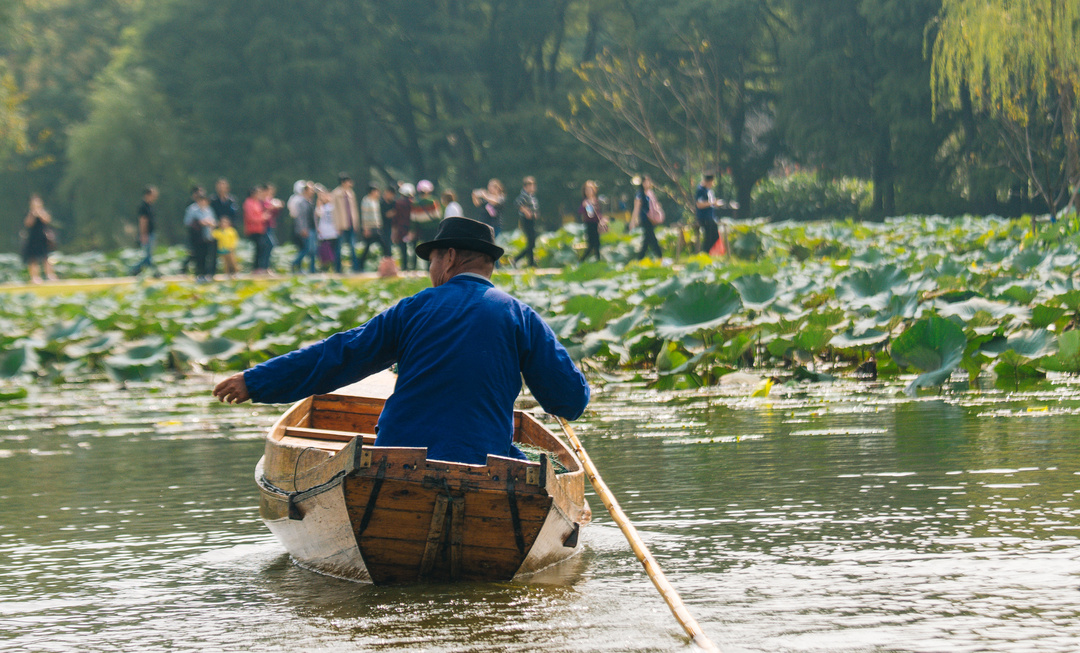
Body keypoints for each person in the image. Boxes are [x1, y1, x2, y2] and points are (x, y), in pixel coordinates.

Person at [212, 217, 590, 465]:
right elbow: (569, 401)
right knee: (518, 462)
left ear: (450, 257)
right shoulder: (521, 318)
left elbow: (340, 355)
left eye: (431, 262)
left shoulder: (412, 310)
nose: (430, 272)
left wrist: (255, 380)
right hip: (483, 460)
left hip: (398, 460)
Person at [184, 188, 217, 282]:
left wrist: (210, 223)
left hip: (207, 236)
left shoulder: (209, 210)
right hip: (197, 237)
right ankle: (199, 274)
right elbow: (187, 222)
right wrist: (200, 222)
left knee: (207, 255)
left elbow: (214, 221)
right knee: (199, 256)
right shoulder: (192, 209)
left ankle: (207, 274)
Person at [22, 193, 57, 283]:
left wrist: (39, 212)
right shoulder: (28, 213)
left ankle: (50, 275)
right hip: (33, 238)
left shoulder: (44, 211)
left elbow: (47, 220)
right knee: (33, 259)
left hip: (43, 237)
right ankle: (35, 277)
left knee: (46, 258)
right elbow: (28, 224)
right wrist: (33, 214)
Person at [128, 186, 160, 278]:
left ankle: (137, 270)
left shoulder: (150, 206)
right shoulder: (143, 207)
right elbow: (143, 221)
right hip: (147, 234)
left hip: (151, 233)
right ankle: (136, 269)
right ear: (147, 195)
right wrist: (143, 235)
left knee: (148, 255)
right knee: (148, 256)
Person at [210, 178, 239, 277]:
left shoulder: (231, 200)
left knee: (231, 256)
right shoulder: (213, 200)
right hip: (218, 228)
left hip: (229, 228)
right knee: (217, 255)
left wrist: (229, 223)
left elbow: (235, 214)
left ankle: (233, 272)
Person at [332, 173, 360, 273]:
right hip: (342, 225)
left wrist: (356, 223)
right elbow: (335, 212)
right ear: (343, 182)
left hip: (351, 224)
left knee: (353, 246)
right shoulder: (336, 193)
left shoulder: (351, 193)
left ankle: (355, 268)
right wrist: (338, 226)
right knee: (339, 247)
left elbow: (354, 209)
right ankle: (338, 269)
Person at [632, 175, 663, 260]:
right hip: (645, 219)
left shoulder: (650, 194)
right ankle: (660, 257)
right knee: (652, 239)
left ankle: (640, 258)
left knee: (647, 240)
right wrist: (633, 221)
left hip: (652, 219)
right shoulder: (640, 194)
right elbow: (636, 208)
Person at [357, 184, 384, 272]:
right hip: (369, 228)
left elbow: (377, 215)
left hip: (376, 227)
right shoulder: (366, 201)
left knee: (384, 245)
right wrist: (365, 229)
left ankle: (387, 263)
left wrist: (379, 225)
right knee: (367, 248)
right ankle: (360, 266)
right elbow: (364, 215)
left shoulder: (375, 201)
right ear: (372, 191)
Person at [291, 183, 317, 274]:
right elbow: (300, 218)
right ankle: (294, 263)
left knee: (313, 250)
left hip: (312, 228)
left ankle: (312, 270)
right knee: (307, 249)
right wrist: (303, 229)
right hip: (306, 229)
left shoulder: (310, 202)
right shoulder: (301, 202)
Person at [512, 176, 539, 267]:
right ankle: (517, 259)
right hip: (526, 220)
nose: (532, 187)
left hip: (532, 221)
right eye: (530, 185)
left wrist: (534, 213)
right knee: (531, 242)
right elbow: (517, 203)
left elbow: (534, 208)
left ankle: (530, 262)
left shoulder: (532, 196)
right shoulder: (524, 195)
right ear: (525, 186)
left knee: (532, 242)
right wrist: (526, 211)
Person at [696, 174, 724, 254]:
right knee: (709, 236)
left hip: (711, 217)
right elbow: (699, 204)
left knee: (715, 236)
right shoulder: (700, 190)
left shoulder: (708, 190)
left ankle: (706, 252)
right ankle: (704, 253)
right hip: (704, 218)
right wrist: (712, 203)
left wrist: (715, 203)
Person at [578, 180, 606, 262]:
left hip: (596, 224)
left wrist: (602, 220)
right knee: (591, 245)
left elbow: (598, 213)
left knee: (597, 244)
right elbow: (580, 211)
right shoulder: (585, 202)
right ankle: (581, 261)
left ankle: (598, 261)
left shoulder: (596, 201)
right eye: (587, 190)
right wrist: (584, 206)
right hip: (589, 224)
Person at [244, 186, 269, 274]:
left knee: (262, 247)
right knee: (259, 247)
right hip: (253, 229)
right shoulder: (249, 203)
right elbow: (250, 217)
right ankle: (256, 268)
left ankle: (260, 267)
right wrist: (262, 218)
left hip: (260, 229)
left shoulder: (257, 203)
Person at [411, 179, 441, 249]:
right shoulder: (433, 201)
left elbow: (413, 219)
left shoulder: (415, 203)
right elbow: (438, 215)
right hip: (433, 228)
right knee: (433, 247)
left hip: (422, 229)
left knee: (426, 247)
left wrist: (412, 230)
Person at [393, 183, 414, 271]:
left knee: (403, 248)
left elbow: (395, 218)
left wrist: (394, 231)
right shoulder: (413, 203)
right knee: (413, 247)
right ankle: (413, 266)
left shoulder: (398, 203)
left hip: (401, 228)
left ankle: (404, 266)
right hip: (412, 228)